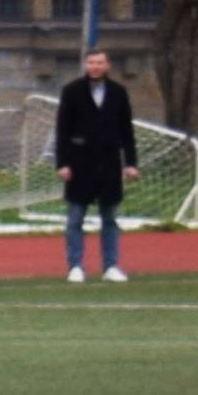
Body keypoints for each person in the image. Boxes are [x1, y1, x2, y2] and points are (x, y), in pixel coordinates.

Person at [55, 42, 139, 282]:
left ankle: (110, 266)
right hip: (79, 162)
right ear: (85, 64)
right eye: (91, 62)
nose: (95, 66)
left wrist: (131, 163)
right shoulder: (71, 91)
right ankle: (75, 266)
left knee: (109, 218)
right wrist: (62, 163)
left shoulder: (118, 92)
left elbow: (127, 131)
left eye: (100, 62)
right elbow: (62, 130)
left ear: (108, 65)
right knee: (75, 218)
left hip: (109, 162)